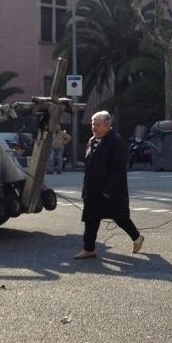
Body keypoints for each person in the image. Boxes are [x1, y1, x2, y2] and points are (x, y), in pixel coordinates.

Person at [74, 111, 144, 259]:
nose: (94, 128)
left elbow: (118, 169)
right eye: (93, 124)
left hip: (111, 191)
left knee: (120, 218)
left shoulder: (116, 142)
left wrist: (108, 190)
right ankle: (89, 248)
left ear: (107, 125)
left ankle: (137, 237)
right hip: (92, 190)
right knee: (90, 219)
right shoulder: (92, 140)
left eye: (97, 125)